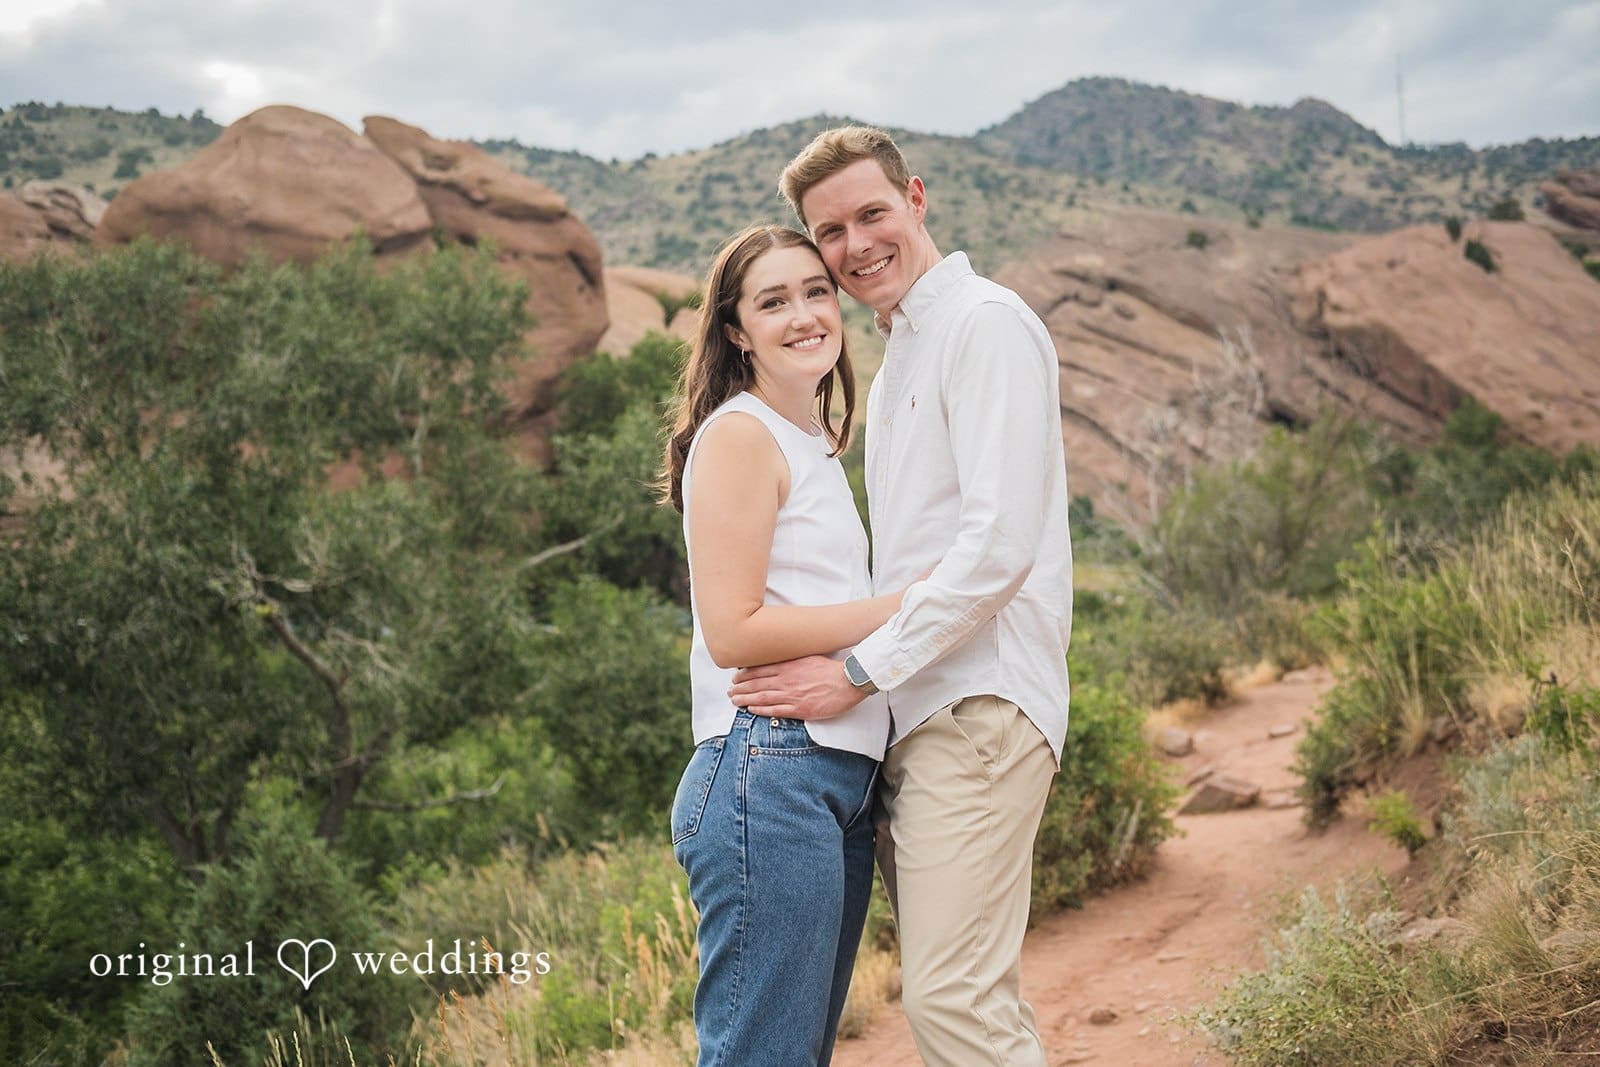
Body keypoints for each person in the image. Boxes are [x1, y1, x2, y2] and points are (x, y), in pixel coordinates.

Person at [727, 126, 1073, 1067]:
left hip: (979, 702)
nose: (856, 244)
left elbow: (998, 547)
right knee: (957, 996)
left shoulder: (982, 324)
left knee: (955, 1000)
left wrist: (854, 672)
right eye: (829, 231)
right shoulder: (901, 356)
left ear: (915, 199)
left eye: (871, 213)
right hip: (919, 713)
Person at [660, 224, 918, 1066]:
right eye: (773, 300)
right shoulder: (739, 435)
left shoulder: (809, 440)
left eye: (815, 291)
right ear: (736, 330)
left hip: (830, 777)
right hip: (769, 773)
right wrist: (902, 609)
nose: (805, 313)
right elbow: (732, 629)